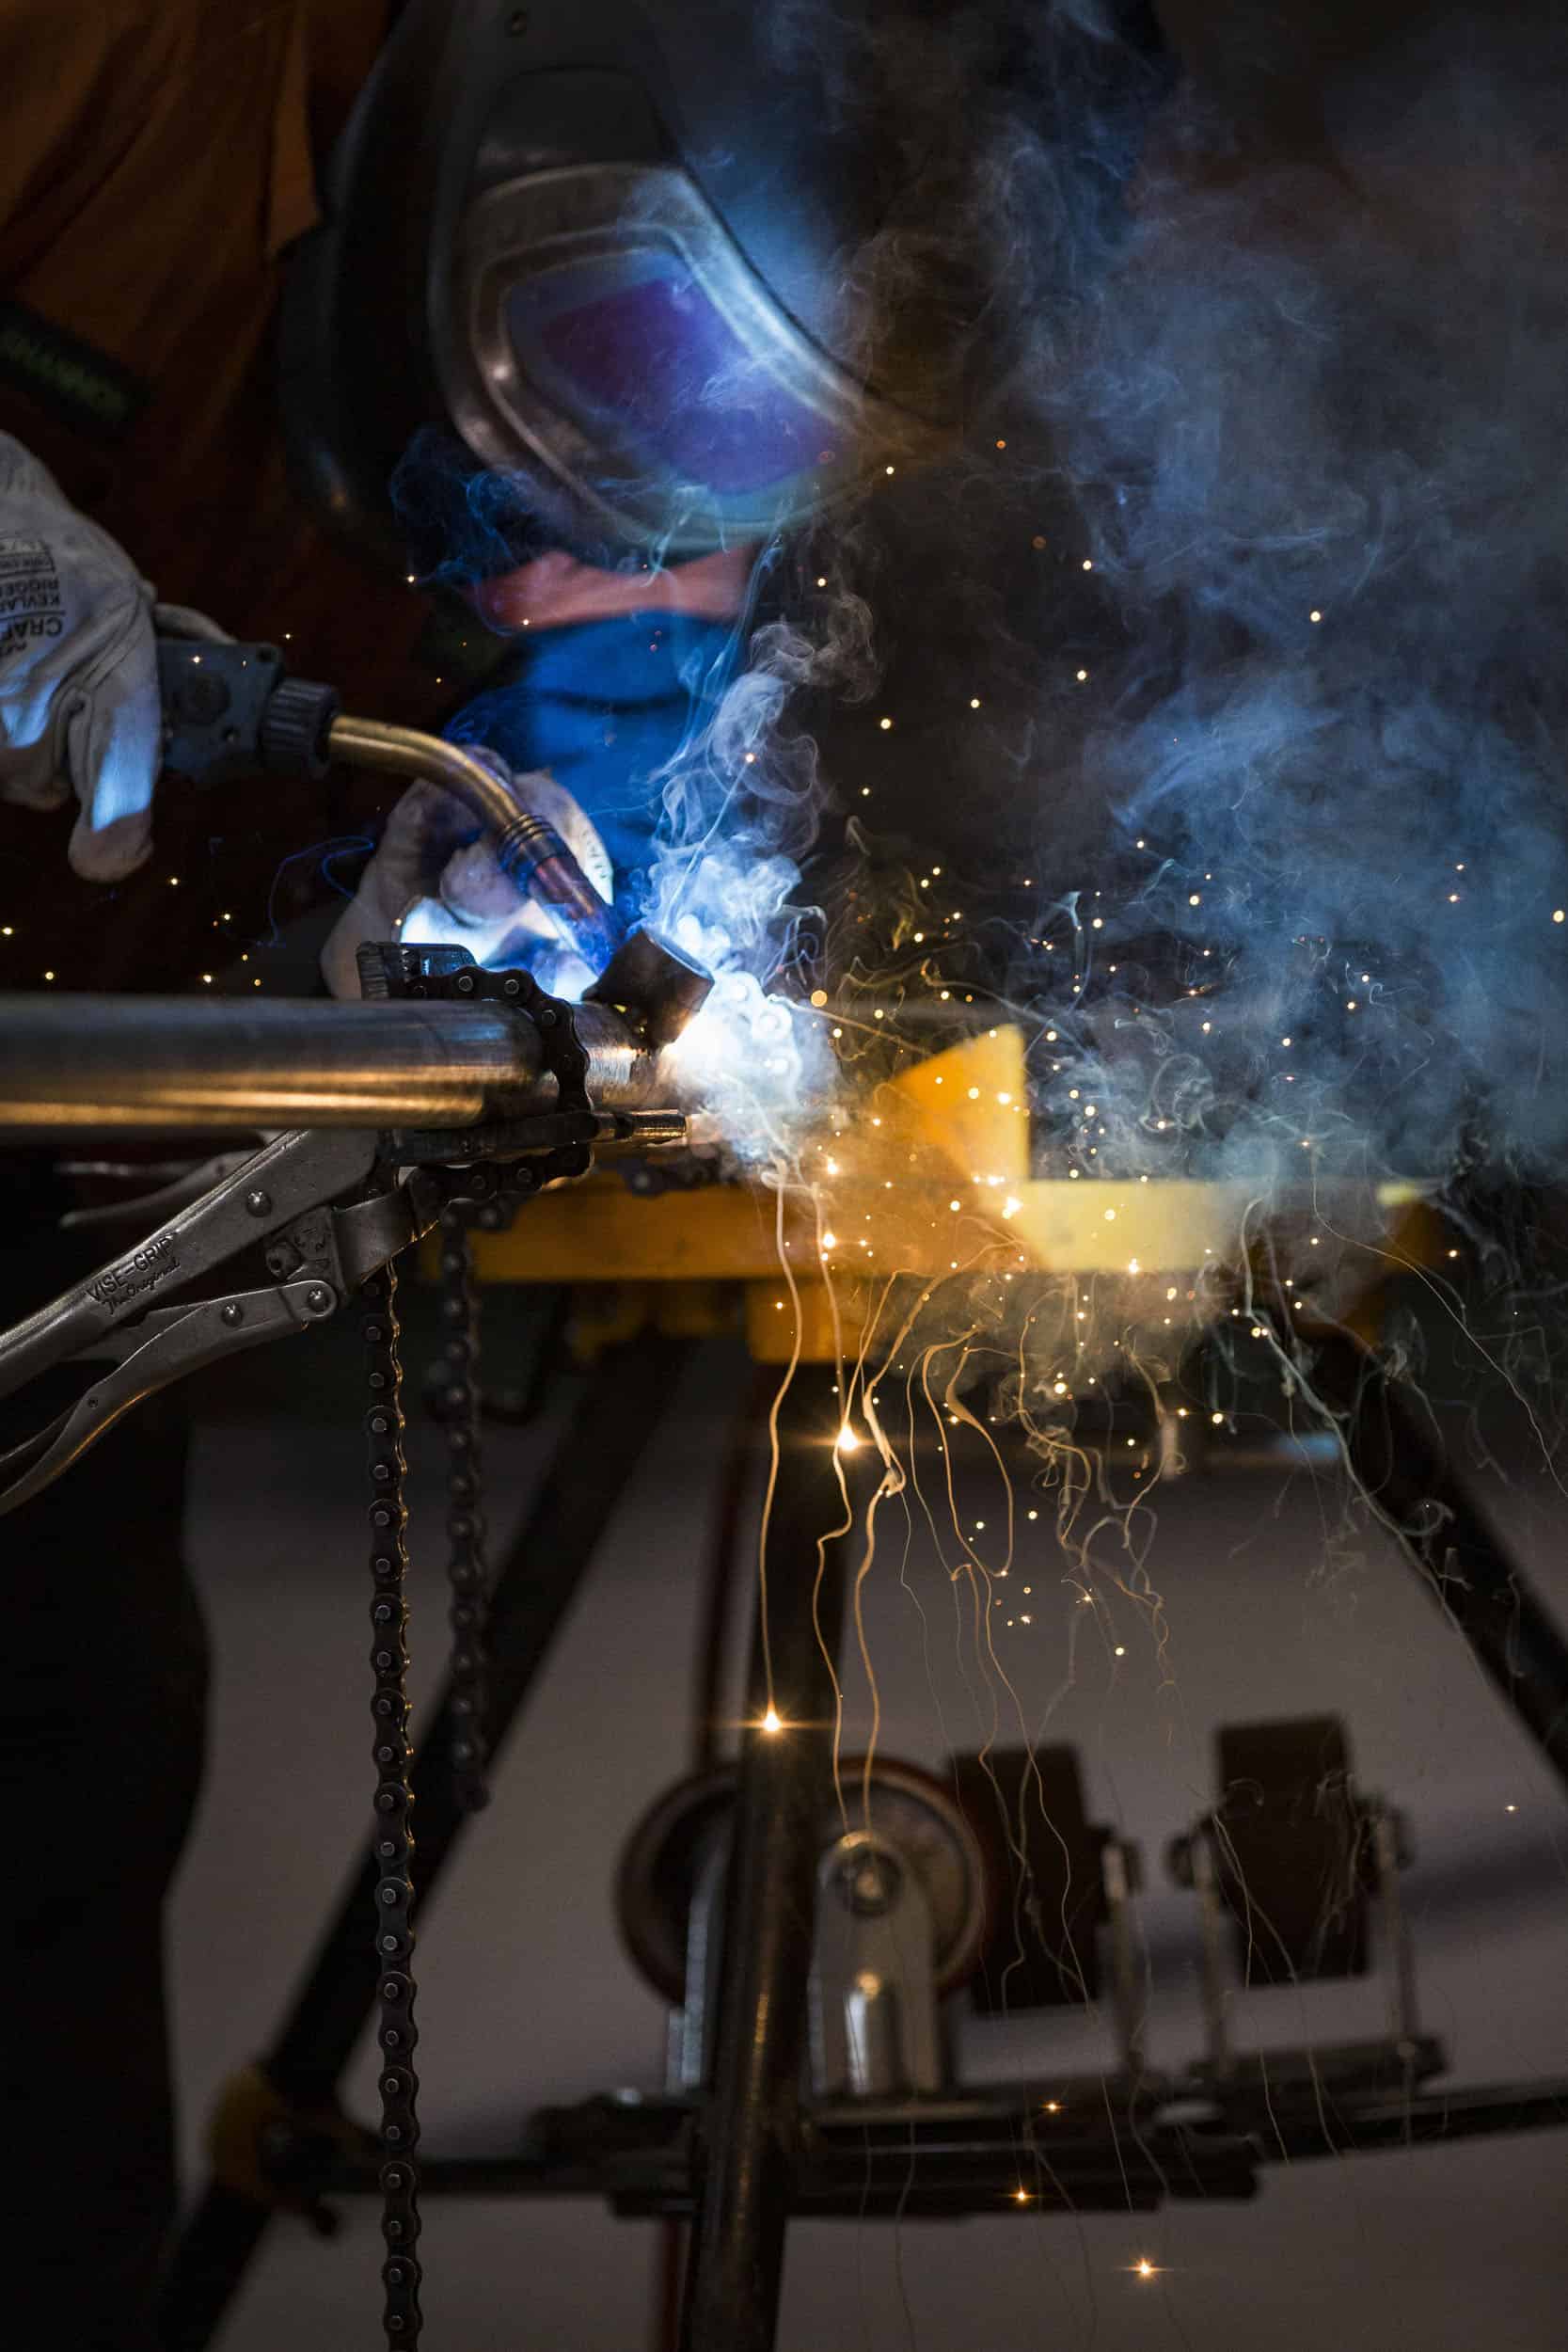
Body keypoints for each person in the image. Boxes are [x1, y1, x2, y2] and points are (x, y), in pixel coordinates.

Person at [0, 3, 1173, 2344]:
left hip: (49, 1171)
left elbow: (570, 659)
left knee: (49, 1773)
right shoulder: (109, 48)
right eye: (621, 378)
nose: (627, 529)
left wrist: (468, 867)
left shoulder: (738, 289)